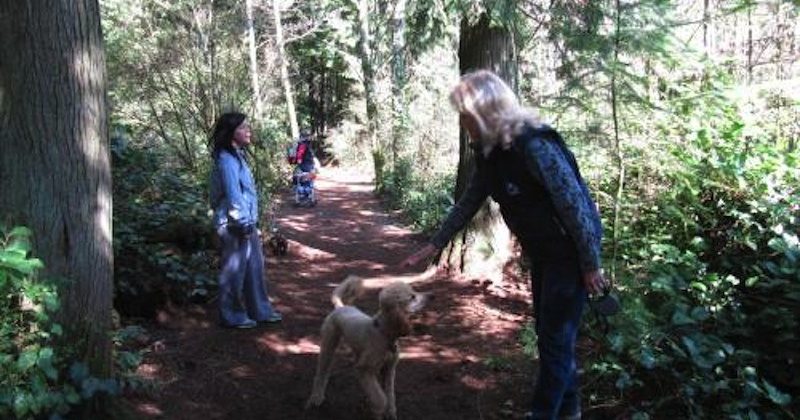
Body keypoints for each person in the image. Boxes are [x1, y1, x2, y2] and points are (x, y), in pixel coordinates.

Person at [400, 70, 607, 420]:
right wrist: (436, 242)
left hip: (570, 255)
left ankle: (542, 413)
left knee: (554, 340)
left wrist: (590, 264)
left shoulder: (534, 146)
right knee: (551, 336)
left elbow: (575, 207)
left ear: (486, 112)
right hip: (545, 254)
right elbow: (469, 201)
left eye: (465, 115)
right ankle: (570, 410)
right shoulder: (490, 153)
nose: (463, 122)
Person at [209, 112, 283, 328]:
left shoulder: (237, 156)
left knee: (254, 269)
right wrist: (242, 222)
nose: (248, 130)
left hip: (246, 222)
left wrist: (251, 222)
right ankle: (231, 315)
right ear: (231, 132)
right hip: (234, 224)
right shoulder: (225, 159)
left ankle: (260, 311)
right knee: (234, 272)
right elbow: (233, 194)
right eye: (243, 127)